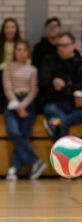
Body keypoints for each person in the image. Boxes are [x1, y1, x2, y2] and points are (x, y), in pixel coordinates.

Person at [40, 32, 82, 141]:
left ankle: (56, 124)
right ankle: (64, 154)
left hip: (78, 105)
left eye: (65, 46)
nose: (61, 48)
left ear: (73, 46)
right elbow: (42, 79)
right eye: (59, 45)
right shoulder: (49, 60)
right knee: (51, 110)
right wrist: (52, 81)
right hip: (56, 102)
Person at [3, 40, 46, 180]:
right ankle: (36, 160)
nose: (21, 52)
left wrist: (23, 106)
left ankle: (13, 168)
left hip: (28, 103)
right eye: (18, 49)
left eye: (24, 50)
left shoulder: (33, 70)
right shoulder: (8, 68)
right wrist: (16, 105)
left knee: (24, 134)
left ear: (28, 53)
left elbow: (34, 90)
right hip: (12, 101)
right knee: (14, 132)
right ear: (14, 52)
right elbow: (7, 88)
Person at [0, 18, 22, 112]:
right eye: (7, 27)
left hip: (17, 73)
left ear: (16, 29)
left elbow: (27, 61)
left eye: (12, 27)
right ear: (3, 30)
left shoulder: (21, 43)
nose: (10, 30)